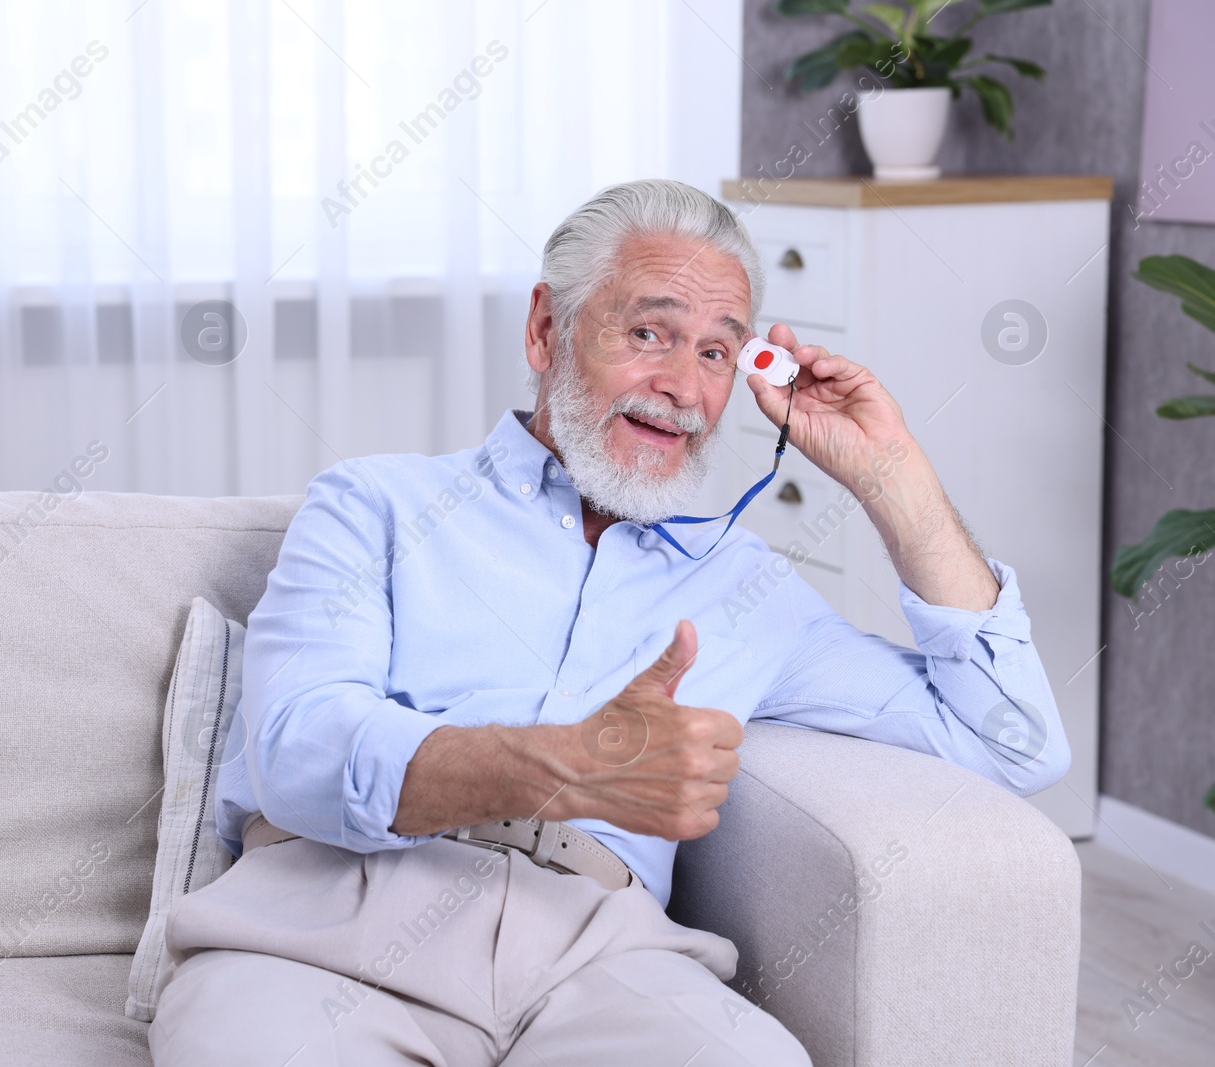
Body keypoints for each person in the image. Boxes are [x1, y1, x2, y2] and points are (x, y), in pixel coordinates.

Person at [148, 178, 1070, 1066]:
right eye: (648, 332)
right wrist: (570, 766)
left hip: (602, 956)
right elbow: (297, 749)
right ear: (548, 329)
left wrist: (890, 476)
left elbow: (1012, 740)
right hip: (332, 926)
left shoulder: (745, 585)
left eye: (716, 352)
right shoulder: (376, 503)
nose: (680, 385)